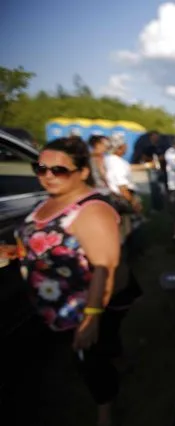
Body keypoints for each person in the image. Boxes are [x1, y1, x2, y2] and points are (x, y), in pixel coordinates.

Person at [0, 137, 122, 426]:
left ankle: (105, 415)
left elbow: (106, 266)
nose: (47, 176)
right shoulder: (49, 201)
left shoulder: (92, 211)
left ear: (82, 172)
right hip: (47, 305)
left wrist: (91, 317)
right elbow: (50, 244)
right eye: (40, 168)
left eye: (59, 170)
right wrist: (16, 252)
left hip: (78, 309)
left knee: (92, 366)